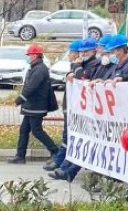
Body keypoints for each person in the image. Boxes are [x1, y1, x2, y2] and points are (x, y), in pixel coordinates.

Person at [8, 43, 59, 164]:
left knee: (36, 130)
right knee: (24, 129)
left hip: (37, 105)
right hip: (32, 105)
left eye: (30, 55)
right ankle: (20, 156)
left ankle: (55, 151)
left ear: (36, 55)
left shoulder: (40, 69)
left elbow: (31, 87)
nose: (29, 57)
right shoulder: (36, 67)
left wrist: (19, 99)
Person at [45, 39, 84, 172]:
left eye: (71, 53)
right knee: (66, 135)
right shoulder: (74, 66)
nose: (69, 55)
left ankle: (62, 163)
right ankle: (61, 161)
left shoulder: (80, 67)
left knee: (69, 136)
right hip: (70, 106)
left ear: (78, 54)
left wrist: (75, 67)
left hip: (75, 108)